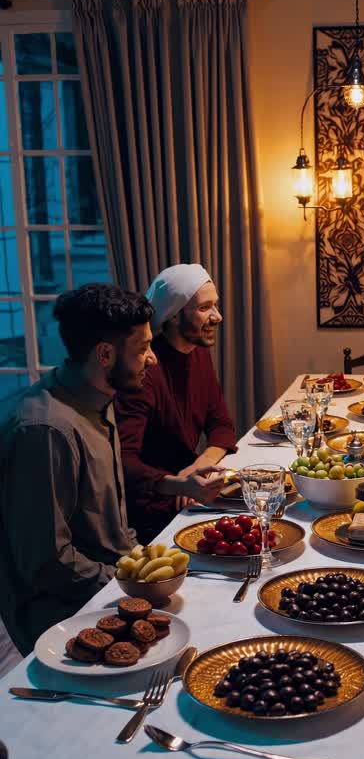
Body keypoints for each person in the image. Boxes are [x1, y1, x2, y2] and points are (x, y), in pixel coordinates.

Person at [0, 285, 155, 654]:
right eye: (142, 349)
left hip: (106, 586)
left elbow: (109, 531)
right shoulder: (46, 429)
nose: (152, 359)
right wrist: (129, 584)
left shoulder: (100, 396)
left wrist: (141, 562)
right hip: (66, 616)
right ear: (104, 354)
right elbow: (47, 563)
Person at [116, 263, 237, 541]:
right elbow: (123, 462)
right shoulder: (145, 369)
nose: (217, 316)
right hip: (152, 509)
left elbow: (222, 425)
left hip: (191, 489)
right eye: (205, 308)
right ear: (172, 316)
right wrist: (179, 485)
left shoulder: (197, 353)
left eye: (215, 306)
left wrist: (199, 465)